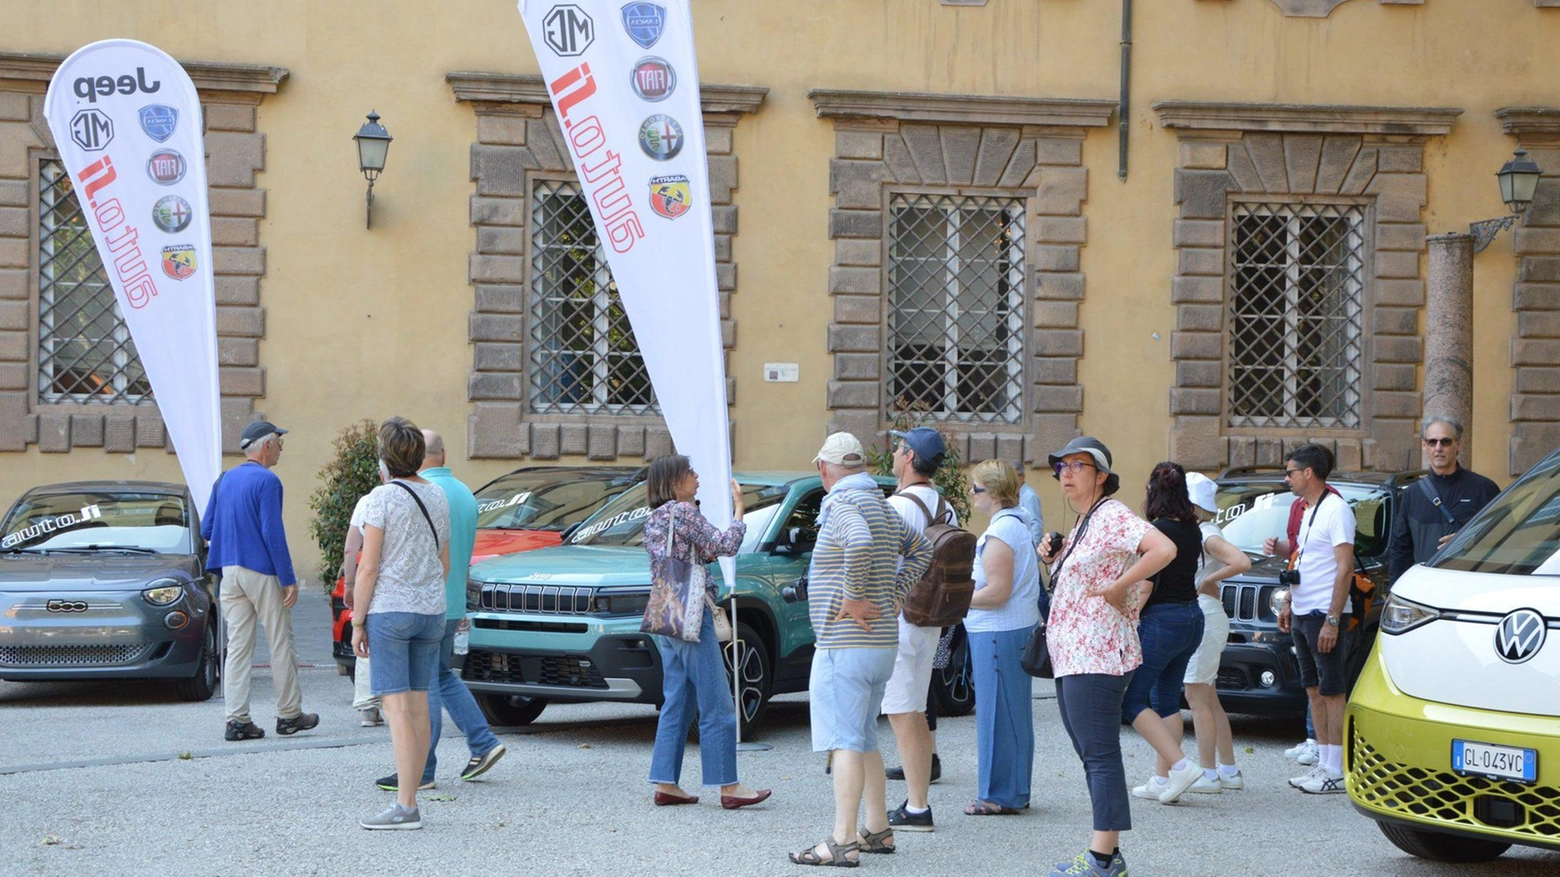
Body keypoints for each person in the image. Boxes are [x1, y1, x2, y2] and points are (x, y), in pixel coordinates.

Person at [791, 432, 932, 867]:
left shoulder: (841, 504)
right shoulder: (881, 503)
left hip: (846, 643)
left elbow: (857, 542)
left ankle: (841, 841)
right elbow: (922, 548)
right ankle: (876, 828)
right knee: (866, 735)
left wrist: (852, 596)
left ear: (824, 468)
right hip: (880, 643)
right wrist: (896, 592)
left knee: (845, 740)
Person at [1038, 436, 1174, 877]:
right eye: (1062, 467)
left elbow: (1163, 550)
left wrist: (1121, 586)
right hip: (1074, 652)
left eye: (1078, 466)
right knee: (1090, 751)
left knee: (1099, 753)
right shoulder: (1084, 520)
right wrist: (1054, 557)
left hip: (1097, 652)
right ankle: (1107, 855)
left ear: (1101, 476)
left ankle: (1101, 858)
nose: (1067, 474)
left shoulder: (1112, 514)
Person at [373, 430, 506, 792]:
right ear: (443, 454)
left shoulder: (416, 492)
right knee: (442, 675)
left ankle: (423, 768)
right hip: (452, 597)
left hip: (423, 600)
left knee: (423, 685)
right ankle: (482, 741)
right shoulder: (463, 492)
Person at [643, 454, 771, 811]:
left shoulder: (655, 517)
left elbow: (687, 554)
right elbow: (724, 545)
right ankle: (728, 785)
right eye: (691, 473)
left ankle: (666, 783)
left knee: (678, 702)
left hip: (666, 615)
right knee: (716, 702)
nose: (697, 477)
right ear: (674, 481)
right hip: (692, 615)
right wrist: (740, 511)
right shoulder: (683, 512)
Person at [352, 417, 451, 830]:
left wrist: (357, 621)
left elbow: (368, 567)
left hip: (391, 611)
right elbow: (443, 560)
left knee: (396, 711)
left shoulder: (381, 498)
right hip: (431, 610)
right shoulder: (439, 496)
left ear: (385, 457)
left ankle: (406, 806)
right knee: (419, 706)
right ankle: (412, 797)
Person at [202, 420, 319, 742]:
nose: (281, 450)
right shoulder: (268, 481)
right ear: (266, 445)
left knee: (238, 647)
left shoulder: (224, 479)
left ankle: (237, 720)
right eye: (280, 444)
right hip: (261, 570)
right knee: (281, 642)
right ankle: (289, 715)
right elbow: (272, 532)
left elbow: (206, 529)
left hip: (229, 572)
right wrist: (288, 577)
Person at [1270, 444, 1356, 796]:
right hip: (1305, 611)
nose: (1286, 478)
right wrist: (1289, 602)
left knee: (1332, 690)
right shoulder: (1307, 511)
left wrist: (1333, 620)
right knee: (1313, 689)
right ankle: (1324, 763)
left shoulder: (1337, 509)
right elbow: (1302, 563)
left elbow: (1344, 567)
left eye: (1290, 471)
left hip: (1325, 612)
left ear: (1308, 473)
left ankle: (1336, 769)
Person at [882, 427, 956, 833]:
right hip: (931, 620)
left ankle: (917, 806)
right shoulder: (945, 507)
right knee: (914, 706)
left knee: (901, 711)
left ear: (909, 457)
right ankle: (916, 798)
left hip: (901, 619)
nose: (893, 452)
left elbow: (882, 566)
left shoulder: (897, 507)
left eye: (898, 447)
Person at [1123, 464, 1210, 804]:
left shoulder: (1156, 530)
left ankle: (1180, 767)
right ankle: (1166, 778)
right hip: (1192, 618)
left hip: (1162, 621)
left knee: (1132, 699)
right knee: (1166, 699)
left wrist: (1129, 618)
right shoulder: (1192, 528)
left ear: (1152, 493)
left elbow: (1145, 586)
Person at [962, 460, 1041, 817]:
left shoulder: (1001, 533)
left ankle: (998, 794)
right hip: (1010, 630)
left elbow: (997, 593)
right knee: (1013, 713)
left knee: (997, 715)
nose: (971, 494)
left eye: (975, 488)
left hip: (998, 631)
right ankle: (1013, 790)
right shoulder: (1017, 525)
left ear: (993, 493)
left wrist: (957, 599)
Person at [1180, 472, 1251, 793]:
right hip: (1208, 616)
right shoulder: (1201, 531)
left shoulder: (1205, 533)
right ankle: (1228, 769)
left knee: (1197, 697)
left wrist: (1207, 581)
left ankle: (1208, 774)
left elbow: (1240, 561)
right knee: (1207, 697)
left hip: (1205, 615)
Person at [1387, 416, 1499, 584]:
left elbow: (1505, 539)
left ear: (1458, 445)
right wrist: (1395, 590)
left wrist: (1469, 540)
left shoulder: (1484, 488)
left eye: (1445, 442)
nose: (1438, 448)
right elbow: (1400, 550)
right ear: (1424, 446)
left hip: (1472, 586)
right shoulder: (1413, 493)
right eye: (1432, 442)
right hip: (1426, 588)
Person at [343, 473, 385, 727]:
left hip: (370, 579)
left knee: (366, 638)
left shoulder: (367, 502)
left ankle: (369, 708)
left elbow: (350, 548)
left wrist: (349, 584)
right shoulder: (419, 498)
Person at [1017, 461, 1046, 547]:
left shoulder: (1029, 496)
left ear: (1022, 477)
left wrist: (1031, 547)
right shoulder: (1015, 494)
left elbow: (1036, 524)